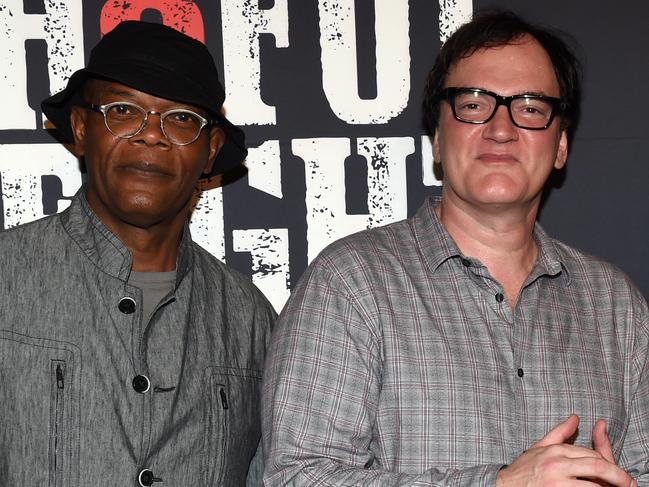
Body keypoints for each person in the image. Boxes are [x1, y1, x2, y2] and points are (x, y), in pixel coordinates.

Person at [262, 10, 649, 486]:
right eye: (473, 103)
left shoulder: (615, 303)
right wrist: (498, 484)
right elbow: (296, 478)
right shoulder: (352, 282)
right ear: (438, 140)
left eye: (529, 107)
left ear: (561, 146)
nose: (501, 128)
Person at [0, 21, 274, 486]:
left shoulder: (250, 321)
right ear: (82, 128)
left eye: (182, 118)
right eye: (124, 110)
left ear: (210, 152)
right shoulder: (7, 276)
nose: (152, 135)